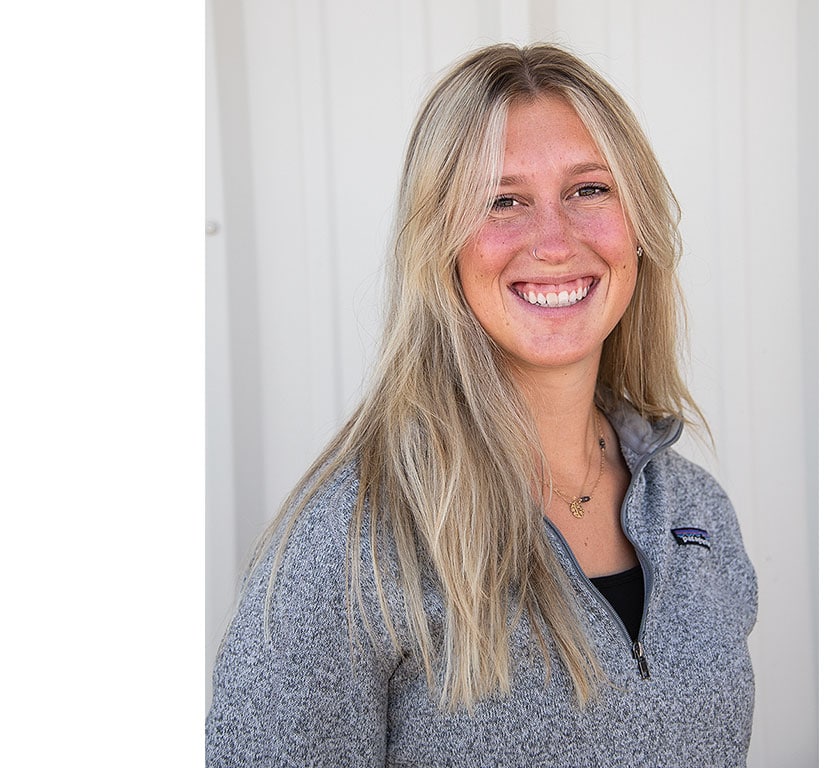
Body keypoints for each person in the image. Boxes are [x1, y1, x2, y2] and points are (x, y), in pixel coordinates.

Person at [206, 43, 757, 767]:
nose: (555, 241)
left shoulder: (697, 513)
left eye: (589, 190)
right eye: (502, 200)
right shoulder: (351, 546)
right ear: (441, 245)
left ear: (639, 224)